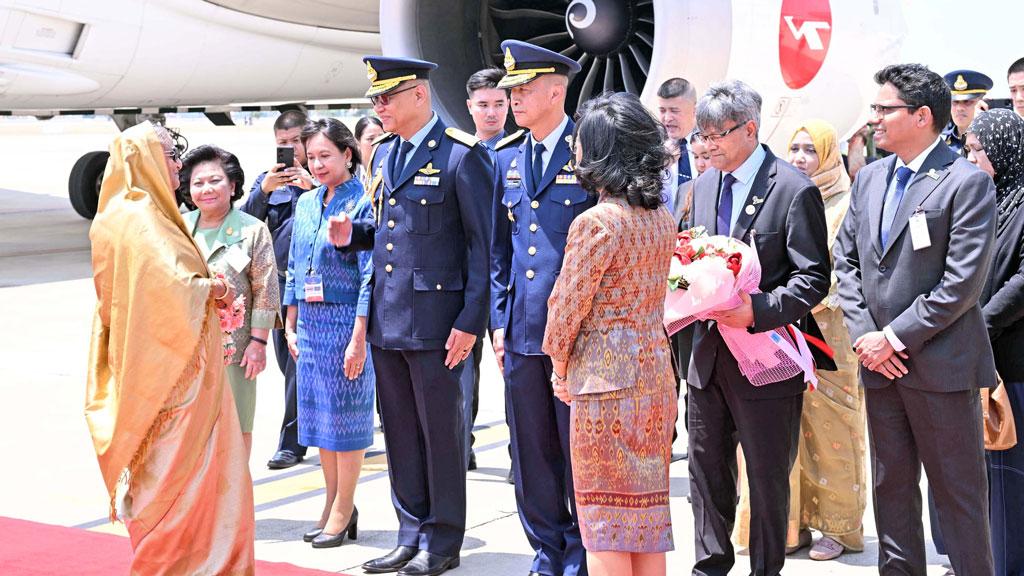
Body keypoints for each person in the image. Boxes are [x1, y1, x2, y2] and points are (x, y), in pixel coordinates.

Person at [327, 56, 493, 576]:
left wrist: (470, 322)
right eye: (376, 99)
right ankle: (410, 531)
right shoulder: (385, 155)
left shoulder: (462, 156)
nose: (379, 108)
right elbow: (388, 233)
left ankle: (442, 541)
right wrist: (354, 236)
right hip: (389, 319)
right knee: (399, 432)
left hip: (439, 323)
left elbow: (485, 250)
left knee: (441, 435)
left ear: (419, 96)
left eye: (388, 98)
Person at [833, 63, 997, 576]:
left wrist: (894, 338)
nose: (875, 118)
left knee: (959, 501)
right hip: (880, 370)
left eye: (886, 109)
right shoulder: (870, 178)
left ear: (923, 116)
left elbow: (961, 286)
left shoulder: (964, 182)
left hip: (940, 370)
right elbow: (847, 263)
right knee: (892, 492)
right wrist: (866, 339)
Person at [85, 121, 254, 573]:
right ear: (146, 159)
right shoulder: (142, 216)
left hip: (141, 358)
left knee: (160, 467)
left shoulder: (114, 213)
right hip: (176, 370)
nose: (178, 166)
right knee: (183, 470)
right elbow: (175, 286)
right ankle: (188, 561)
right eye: (170, 156)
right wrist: (215, 291)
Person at [686, 80, 830, 576]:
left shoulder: (792, 188)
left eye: (716, 135)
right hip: (707, 355)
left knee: (767, 477)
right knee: (704, 474)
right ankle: (710, 565)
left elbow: (813, 278)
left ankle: (766, 568)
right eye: (701, 136)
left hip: (765, 357)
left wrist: (758, 309)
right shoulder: (702, 185)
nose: (707, 147)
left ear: (749, 128)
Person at [542, 91, 678, 576]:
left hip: (604, 386)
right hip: (656, 379)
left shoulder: (597, 221)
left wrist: (559, 367)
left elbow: (565, 309)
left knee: (603, 522)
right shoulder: (660, 217)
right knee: (645, 517)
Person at [733, 120, 867, 561]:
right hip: (782, 329)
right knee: (781, 428)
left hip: (830, 331)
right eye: (795, 148)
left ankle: (838, 526)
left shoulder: (846, 204)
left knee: (832, 426)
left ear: (829, 156)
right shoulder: (783, 194)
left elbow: (847, 269)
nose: (801, 158)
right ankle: (787, 527)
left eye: (812, 150)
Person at [490, 40, 592, 576]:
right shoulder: (505, 156)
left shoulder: (590, 153)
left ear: (557, 91)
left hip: (577, 334)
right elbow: (500, 254)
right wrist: (498, 322)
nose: (515, 100)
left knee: (577, 446)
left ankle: (582, 548)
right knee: (530, 450)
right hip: (524, 331)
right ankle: (548, 548)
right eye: (512, 91)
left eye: (525, 89)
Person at [282, 118, 373, 549]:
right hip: (311, 323)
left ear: (347, 155)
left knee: (346, 419)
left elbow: (369, 274)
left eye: (326, 156)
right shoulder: (305, 203)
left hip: (345, 320)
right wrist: (289, 321)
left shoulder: (363, 202)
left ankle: (344, 505)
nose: (317, 164)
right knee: (319, 420)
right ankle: (334, 502)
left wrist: (359, 336)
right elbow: (295, 267)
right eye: (311, 156)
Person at [180, 144, 281, 462]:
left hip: (235, 349)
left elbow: (265, 288)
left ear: (233, 185)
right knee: (191, 429)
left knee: (236, 427)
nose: (206, 189)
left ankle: (233, 502)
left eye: (215, 180)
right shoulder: (179, 228)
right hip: (187, 349)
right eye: (198, 183)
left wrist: (258, 343)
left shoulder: (253, 230)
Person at [241, 109, 315, 471]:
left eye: (295, 142)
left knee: (302, 366)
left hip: (315, 286)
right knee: (290, 366)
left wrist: (312, 190)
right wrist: (264, 192)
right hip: (280, 283)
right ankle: (303, 432)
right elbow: (245, 226)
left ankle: (291, 443)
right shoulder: (267, 182)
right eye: (282, 144)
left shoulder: (322, 178)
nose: (289, 150)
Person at [967, 108, 1024, 576]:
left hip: (1013, 357)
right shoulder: (991, 201)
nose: (971, 159)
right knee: (988, 474)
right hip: (983, 356)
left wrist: (980, 324)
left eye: (978, 151)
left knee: (1011, 473)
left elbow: (1022, 281)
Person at [462, 66, 511, 472]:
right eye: (483, 105)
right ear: (469, 107)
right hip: (465, 279)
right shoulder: (460, 155)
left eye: (499, 104)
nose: (492, 113)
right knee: (461, 368)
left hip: (510, 279)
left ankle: (521, 453)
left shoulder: (520, 152)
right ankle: (461, 443)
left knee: (515, 370)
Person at [941, 69, 993, 156]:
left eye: (967, 102)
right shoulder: (939, 142)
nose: (960, 108)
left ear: (982, 103)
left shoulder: (993, 141)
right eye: (955, 102)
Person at [355, 115, 385, 186]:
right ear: (357, 142)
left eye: (382, 137)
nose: (378, 143)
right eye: (370, 139)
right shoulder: (348, 174)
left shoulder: (392, 169)